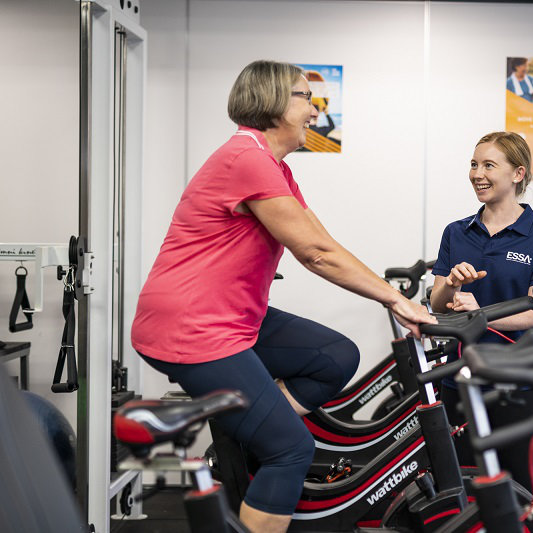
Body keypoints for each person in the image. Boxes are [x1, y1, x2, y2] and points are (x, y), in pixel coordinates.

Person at [130, 60, 434, 533]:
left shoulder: (274, 166)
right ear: (273, 102)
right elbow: (315, 254)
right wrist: (396, 300)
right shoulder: (245, 158)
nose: (314, 110)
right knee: (291, 449)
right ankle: (267, 441)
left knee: (334, 356)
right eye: (304, 97)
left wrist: (388, 293)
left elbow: (320, 239)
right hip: (193, 327)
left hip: (232, 318)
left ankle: (252, 428)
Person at [430, 131, 533, 497]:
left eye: (489, 165)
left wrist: (481, 314)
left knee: (519, 482)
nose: (477, 174)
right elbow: (438, 303)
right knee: (461, 482)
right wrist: (451, 285)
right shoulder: (456, 232)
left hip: (516, 382)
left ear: (518, 174)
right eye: (474, 164)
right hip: (459, 377)